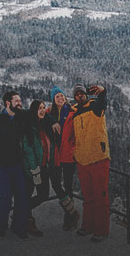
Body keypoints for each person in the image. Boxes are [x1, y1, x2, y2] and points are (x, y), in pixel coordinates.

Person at [0, 91, 29, 239]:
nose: (20, 103)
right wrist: (1, 158)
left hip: (16, 164)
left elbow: (37, 114)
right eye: (16, 101)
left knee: (22, 195)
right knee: (6, 196)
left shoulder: (20, 118)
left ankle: (19, 226)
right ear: (8, 103)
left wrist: (52, 121)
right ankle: (0, 226)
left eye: (20, 100)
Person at [71, 83, 110, 243]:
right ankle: (88, 226)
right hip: (82, 160)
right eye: (77, 94)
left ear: (86, 95)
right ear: (74, 97)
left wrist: (102, 92)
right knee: (87, 196)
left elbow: (102, 103)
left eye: (82, 93)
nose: (80, 96)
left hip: (98, 158)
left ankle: (101, 230)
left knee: (100, 196)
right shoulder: (74, 113)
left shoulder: (94, 106)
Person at [47, 86, 80, 230]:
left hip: (68, 155)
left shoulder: (72, 112)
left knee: (67, 186)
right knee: (55, 183)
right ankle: (72, 211)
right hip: (55, 155)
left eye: (62, 96)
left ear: (65, 97)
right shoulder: (49, 113)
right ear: (53, 100)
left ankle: (69, 217)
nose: (60, 99)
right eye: (57, 97)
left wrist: (74, 147)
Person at [20, 100, 53, 237]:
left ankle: (20, 212)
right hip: (32, 169)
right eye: (39, 108)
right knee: (28, 193)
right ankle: (27, 221)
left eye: (44, 108)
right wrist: (35, 169)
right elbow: (28, 149)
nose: (42, 110)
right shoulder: (28, 126)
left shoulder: (43, 124)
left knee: (43, 194)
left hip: (44, 166)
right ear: (33, 110)